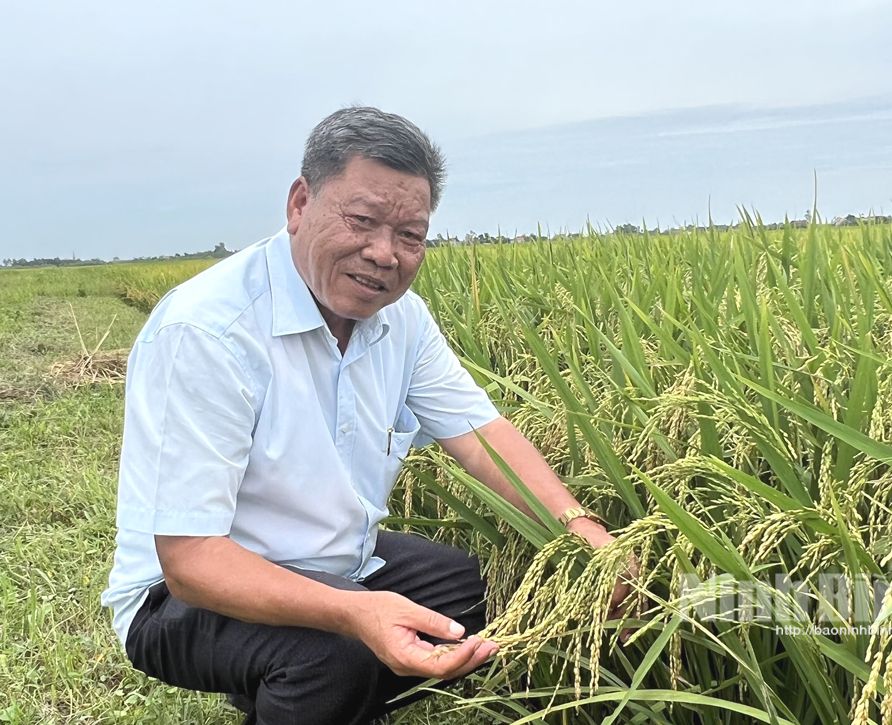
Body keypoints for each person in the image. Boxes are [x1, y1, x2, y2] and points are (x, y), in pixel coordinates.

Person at [100, 106, 631, 725]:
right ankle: (306, 682)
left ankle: (289, 696)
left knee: (467, 592)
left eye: (411, 235)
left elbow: (481, 438)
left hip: (337, 561)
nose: (385, 254)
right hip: (176, 598)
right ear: (300, 203)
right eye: (362, 220)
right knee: (338, 651)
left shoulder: (401, 320)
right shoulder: (208, 331)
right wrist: (355, 612)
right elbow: (190, 561)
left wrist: (581, 528)